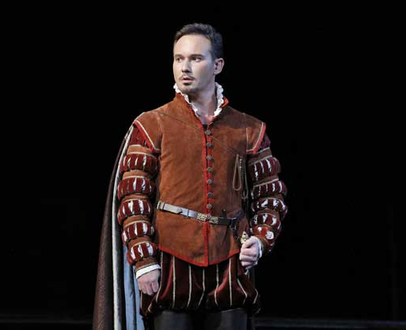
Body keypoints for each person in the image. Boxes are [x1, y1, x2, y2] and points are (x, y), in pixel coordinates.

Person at [93, 23, 288, 330]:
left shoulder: (249, 128)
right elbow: (133, 198)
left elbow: (270, 196)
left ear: (218, 65)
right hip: (171, 265)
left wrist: (261, 240)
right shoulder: (152, 125)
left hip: (230, 266)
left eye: (196, 58)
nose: (184, 67)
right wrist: (144, 261)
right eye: (178, 58)